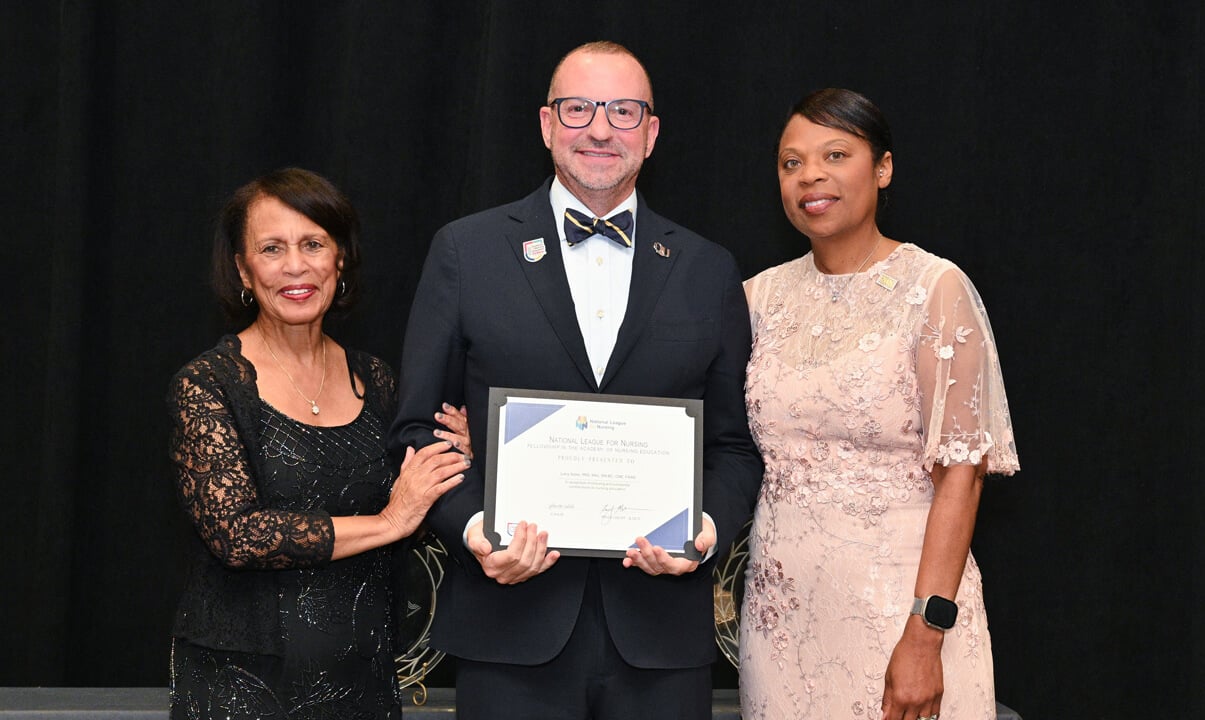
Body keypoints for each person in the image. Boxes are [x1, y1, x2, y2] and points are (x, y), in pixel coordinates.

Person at [389, 41, 763, 720]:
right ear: (545, 124)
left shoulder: (707, 268)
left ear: (650, 134)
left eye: (623, 111)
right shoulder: (465, 252)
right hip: (509, 631)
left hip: (662, 640)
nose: (598, 129)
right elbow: (416, 429)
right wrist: (476, 529)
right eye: (579, 108)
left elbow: (735, 447)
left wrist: (702, 530)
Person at [736, 89, 1020, 720]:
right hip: (781, 620)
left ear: (882, 168)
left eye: (835, 154)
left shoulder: (935, 289)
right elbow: (676, 406)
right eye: (791, 162)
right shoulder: (757, 299)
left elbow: (962, 477)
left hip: (903, 618)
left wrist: (925, 632)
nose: (811, 175)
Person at [166, 168, 470, 720]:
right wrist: (389, 521)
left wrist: (456, 459)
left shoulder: (377, 381)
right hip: (243, 689)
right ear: (242, 267)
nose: (295, 267)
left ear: (341, 260)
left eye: (313, 244)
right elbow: (238, 535)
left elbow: (416, 515)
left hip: (365, 681)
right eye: (272, 248)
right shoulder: (209, 384)